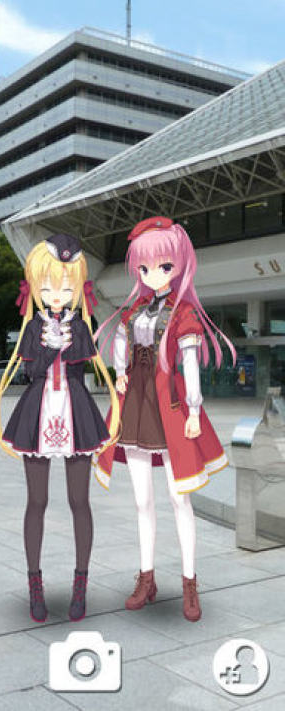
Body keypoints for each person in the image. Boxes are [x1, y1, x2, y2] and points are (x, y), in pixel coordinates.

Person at [95, 216, 236, 622]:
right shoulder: (133, 311)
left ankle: (190, 582)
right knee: (142, 500)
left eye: (163, 266)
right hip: (136, 404)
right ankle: (147, 578)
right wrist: (120, 374)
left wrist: (194, 408)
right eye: (144, 267)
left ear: (178, 265)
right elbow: (120, 349)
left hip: (169, 404)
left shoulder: (183, 312)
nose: (152, 274)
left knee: (179, 498)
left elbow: (190, 363)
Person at [0, 234, 119, 623]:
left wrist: (67, 341)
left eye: (65, 287)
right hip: (39, 410)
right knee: (37, 502)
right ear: (34, 286)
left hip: (75, 411)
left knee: (80, 501)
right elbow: (31, 371)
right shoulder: (33, 326)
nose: (57, 295)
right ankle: (35, 585)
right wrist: (50, 347)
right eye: (47, 287)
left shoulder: (81, 325)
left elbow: (84, 365)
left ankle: (81, 585)